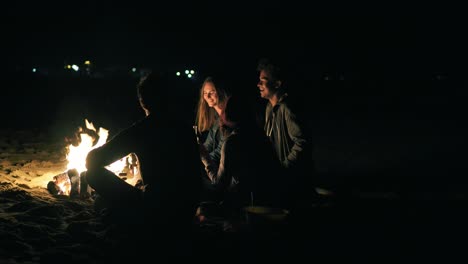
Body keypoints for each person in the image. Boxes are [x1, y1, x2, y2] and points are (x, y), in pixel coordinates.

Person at [84, 71, 202, 258]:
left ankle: (135, 218)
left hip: (156, 210)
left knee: (90, 174)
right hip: (186, 211)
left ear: (142, 101)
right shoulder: (184, 128)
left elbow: (92, 161)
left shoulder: (143, 129)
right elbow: (196, 175)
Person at [199, 94, 281, 223]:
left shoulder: (232, 142)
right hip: (270, 197)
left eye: (224, 110)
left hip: (245, 207)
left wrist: (205, 158)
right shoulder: (259, 135)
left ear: (229, 114)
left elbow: (219, 183)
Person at [256, 57, 315, 210]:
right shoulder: (269, 107)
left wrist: (284, 167)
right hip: (280, 179)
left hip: (294, 181)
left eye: (263, 81)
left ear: (277, 83)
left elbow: (302, 142)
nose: (258, 85)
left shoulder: (287, 109)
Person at [194, 76, 230, 204]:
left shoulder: (229, 119)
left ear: (220, 91)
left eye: (212, 92)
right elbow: (207, 146)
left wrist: (201, 158)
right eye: (205, 93)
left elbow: (220, 152)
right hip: (215, 172)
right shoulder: (216, 121)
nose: (207, 96)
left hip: (226, 179)